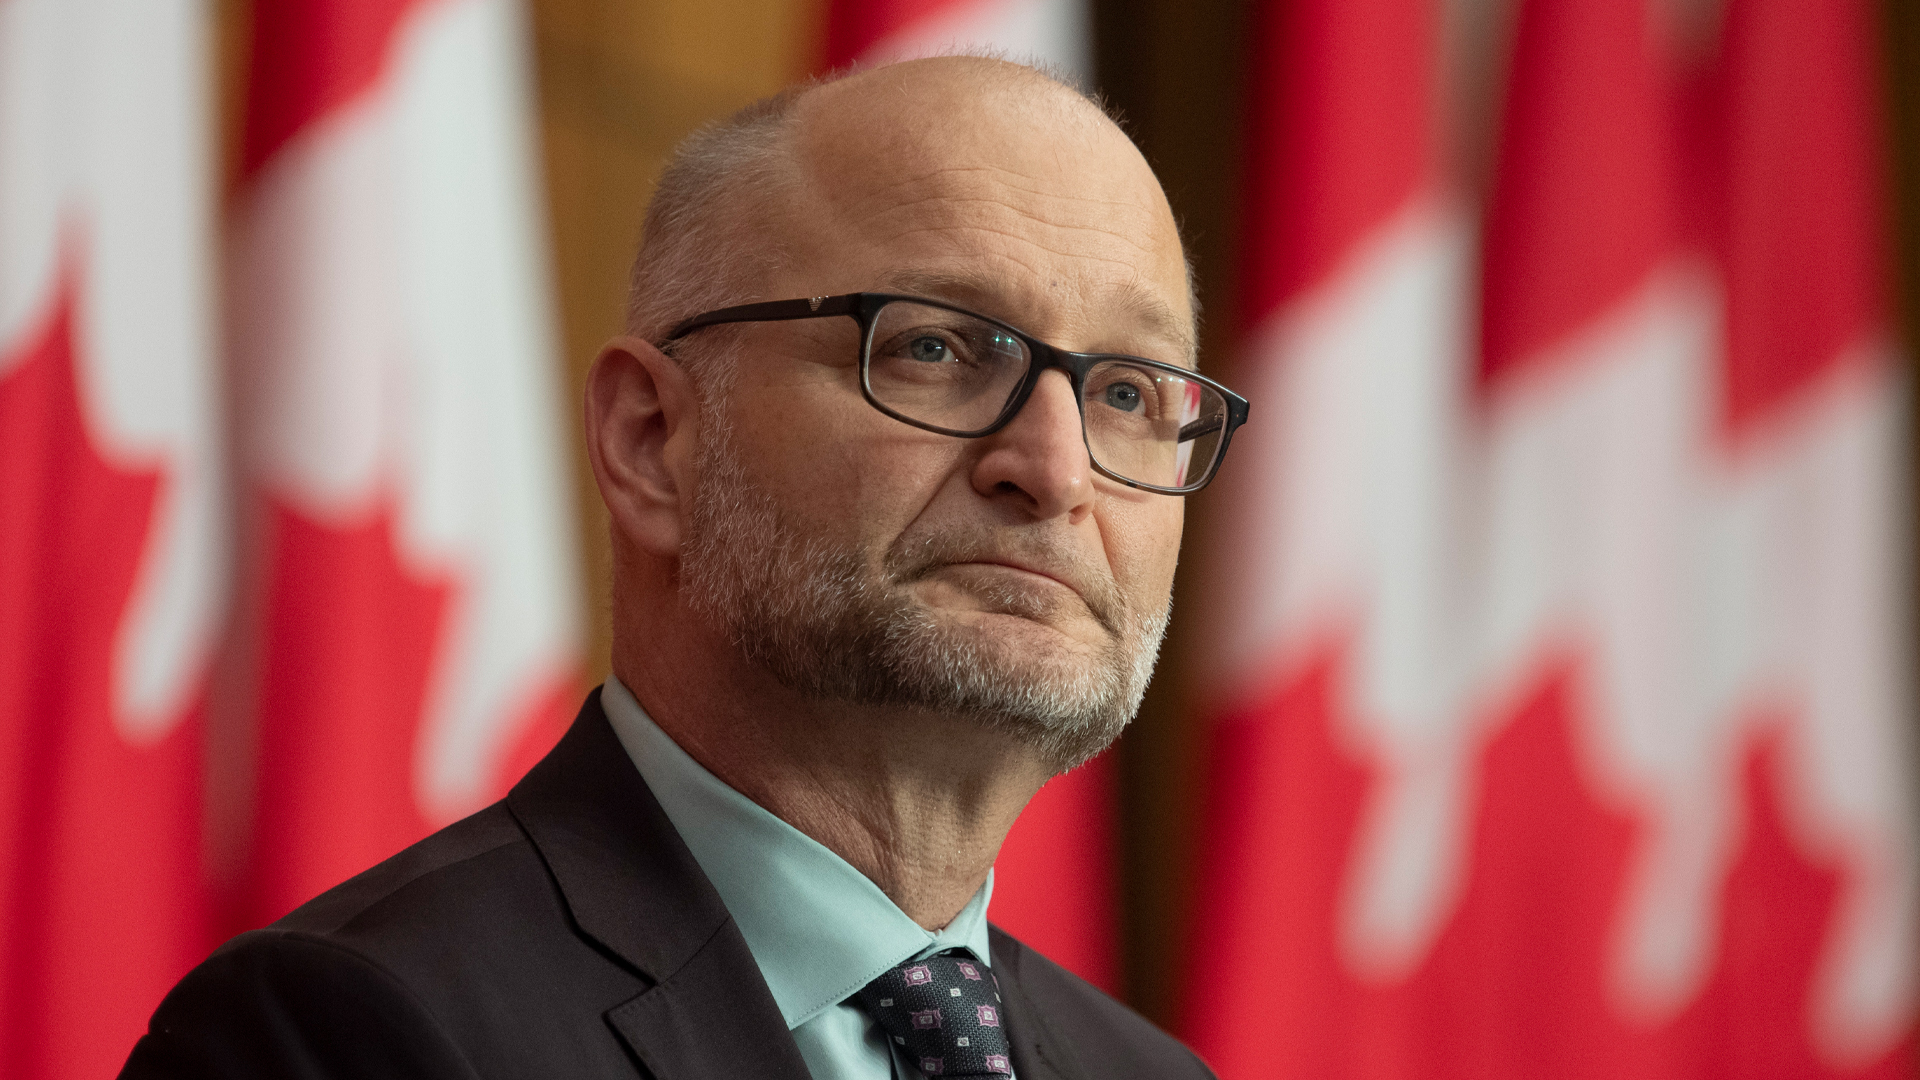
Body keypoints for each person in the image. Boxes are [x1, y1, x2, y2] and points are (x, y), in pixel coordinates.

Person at [121, 54, 1247, 1080]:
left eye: (1127, 393)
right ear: (651, 442)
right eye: (935, 347)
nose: (1055, 469)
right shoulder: (348, 1034)